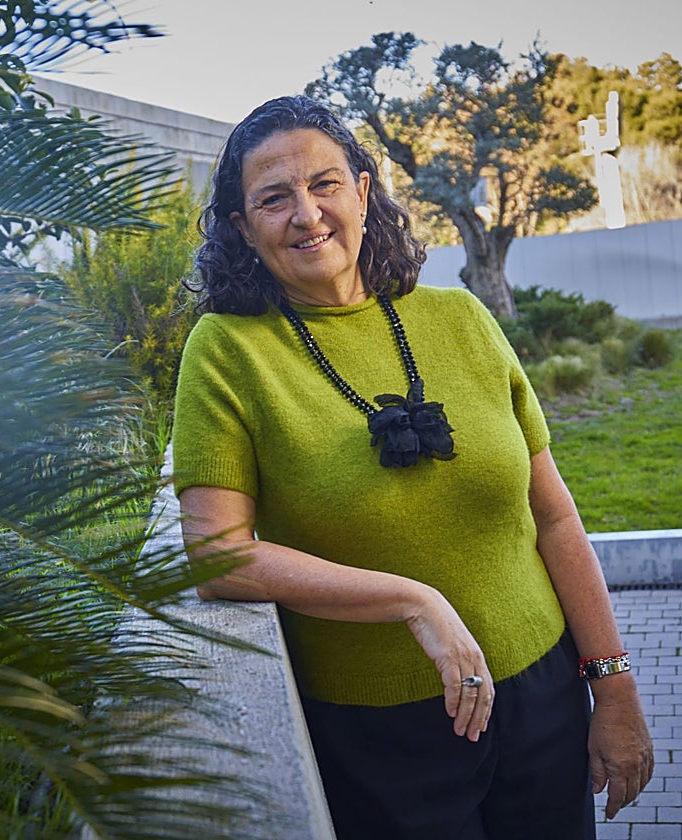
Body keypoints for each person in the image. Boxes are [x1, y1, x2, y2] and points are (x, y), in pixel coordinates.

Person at [172, 95, 654, 839]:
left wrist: (613, 688)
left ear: (364, 192)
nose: (307, 215)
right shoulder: (227, 352)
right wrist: (412, 600)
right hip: (379, 733)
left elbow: (554, 515)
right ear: (242, 227)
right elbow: (216, 555)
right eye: (274, 198)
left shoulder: (460, 318)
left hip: (545, 698)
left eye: (325, 184)